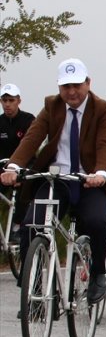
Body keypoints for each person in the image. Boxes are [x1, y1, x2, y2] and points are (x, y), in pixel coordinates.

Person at [1, 59, 106, 303]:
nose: (72, 92)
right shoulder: (51, 106)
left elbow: (105, 145)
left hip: (89, 180)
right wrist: (13, 166)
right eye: (66, 86)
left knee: (97, 222)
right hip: (58, 179)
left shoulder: (103, 109)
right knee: (31, 227)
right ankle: (33, 294)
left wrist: (101, 174)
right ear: (59, 87)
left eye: (77, 85)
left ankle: (98, 272)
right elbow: (32, 139)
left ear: (88, 83)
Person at [0, 83, 36, 232]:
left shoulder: (28, 119)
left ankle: (17, 226)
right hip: (2, 167)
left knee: (26, 189)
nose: (7, 104)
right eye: (4, 100)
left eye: (11, 100)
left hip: (24, 167)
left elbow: (31, 146)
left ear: (18, 101)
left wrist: (19, 171)